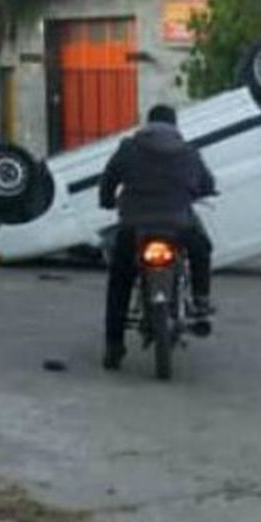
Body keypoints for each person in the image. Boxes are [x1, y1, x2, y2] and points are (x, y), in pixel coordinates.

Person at [98, 104, 216, 370]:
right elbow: (207, 183)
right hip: (177, 223)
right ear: (175, 126)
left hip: (135, 224)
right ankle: (200, 301)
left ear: (147, 124)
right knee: (201, 247)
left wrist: (106, 200)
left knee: (120, 278)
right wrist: (203, 191)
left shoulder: (128, 148)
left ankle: (114, 344)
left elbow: (108, 179)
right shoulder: (188, 151)